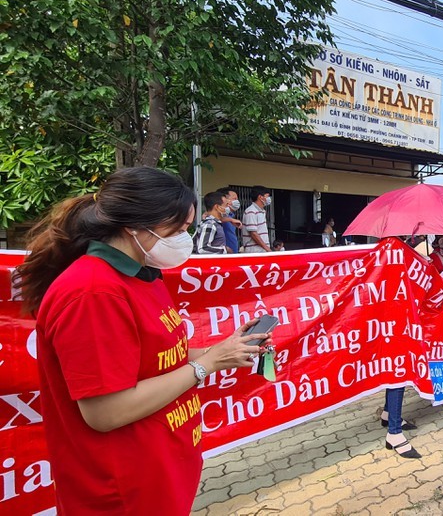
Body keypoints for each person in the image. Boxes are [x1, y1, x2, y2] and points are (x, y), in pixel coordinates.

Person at [14, 167, 271, 514]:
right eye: (178, 229)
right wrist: (205, 365)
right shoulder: (92, 292)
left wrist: (223, 351)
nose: (185, 239)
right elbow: (106, 411)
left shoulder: (142, 276)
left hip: (160, 470)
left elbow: (158, 355)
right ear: (134, 224)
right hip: (120, 490)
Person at [243, 185, 272, 253]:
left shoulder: (261, 211)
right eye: (267, 196)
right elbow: (253, 233)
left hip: (261, 250)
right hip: (255, 250)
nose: (269, 198)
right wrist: (267, 248)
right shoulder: (251, 211)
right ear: (260, 197)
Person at [217, 187, 242, 253]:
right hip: (223, 253)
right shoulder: (220, 214)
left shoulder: (230, 215)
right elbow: (215, 218)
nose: (237, 201)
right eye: (234, 199)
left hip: (232, 253)